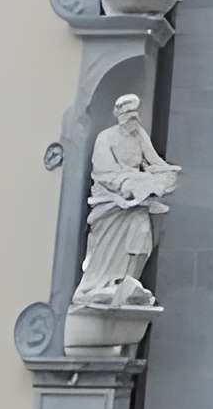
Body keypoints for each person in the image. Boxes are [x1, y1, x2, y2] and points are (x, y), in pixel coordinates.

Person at [72, 93, 180, 312]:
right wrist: (127, 182)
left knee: (141, 238)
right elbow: (104, 171)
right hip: (111, 200)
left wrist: (167, 172)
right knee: (111, 243)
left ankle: (127, 280)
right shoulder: (106, 137)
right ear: (119, 115)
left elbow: (154, 160)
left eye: (134, 116)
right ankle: (100, 284)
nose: (132, 121)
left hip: (136, 200)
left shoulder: (139, 135)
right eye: (128, 116)